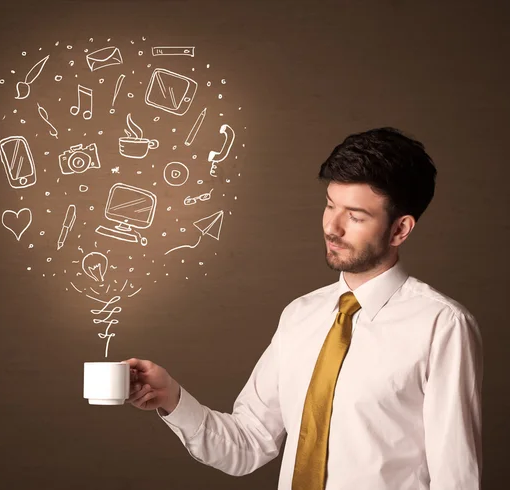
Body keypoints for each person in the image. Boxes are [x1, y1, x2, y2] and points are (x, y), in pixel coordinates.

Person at [124, 127, 483, 489]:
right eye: (330, 205)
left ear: (400, 229)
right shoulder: (301, 315)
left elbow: (456, 476)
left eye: (355, 216)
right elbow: (247, 443)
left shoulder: (441, 325)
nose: (332, 227)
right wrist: (170, 397)